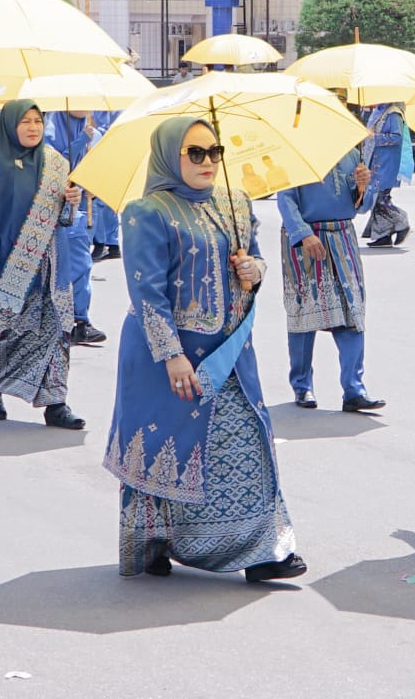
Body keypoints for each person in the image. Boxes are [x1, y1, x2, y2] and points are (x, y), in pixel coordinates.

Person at [105, 116, 305, 583]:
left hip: (230, 353)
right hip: (167, 357)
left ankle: (261, 550)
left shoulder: (236, 203)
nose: (208, 161)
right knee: (162, 449)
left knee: (242, 442)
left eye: (214, 152)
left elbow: (253, 264)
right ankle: (154, 540)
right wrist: (171, 353)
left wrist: (253, 269)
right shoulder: (146, 212)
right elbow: (145, 292)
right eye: (195, 153)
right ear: (170, 156)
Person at [0, 100, 87, 429]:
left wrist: (71, 202)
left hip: (52, 263)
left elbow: (64, 221)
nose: (32, 127)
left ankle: (56, 403)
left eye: (38, 120)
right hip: (10, 261)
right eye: (24, 121)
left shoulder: (56, 162)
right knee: (6, 329)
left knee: (56, 331)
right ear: (10, 124)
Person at [278, 146, 384, 412]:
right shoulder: (292, 153)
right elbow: (286, 199)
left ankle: (354, 389)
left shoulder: (350, 152)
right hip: (307, 239)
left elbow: (361, 206)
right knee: (304, 313)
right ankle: (302, 387)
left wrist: (362, 188)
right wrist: (303, 234)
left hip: (343, 235)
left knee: (353, 311)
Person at [44, 109, 107, 345]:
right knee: (57, 267)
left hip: (80, 206)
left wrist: (94, 184)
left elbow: (99, 166)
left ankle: (81, 320)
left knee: (82, 263)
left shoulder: (94, 131)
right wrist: (81, 140)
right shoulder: (50, 127)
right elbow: (53, 161)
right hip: (51, 205)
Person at [361, 102, 414, 247]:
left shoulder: (393, 113)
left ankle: (402, 221)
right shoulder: (378, 111)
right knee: (377, 200)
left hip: (386, 164)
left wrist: (375, 137)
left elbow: (396, 137)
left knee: (380, 199)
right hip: (376, 162)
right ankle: (383, 235)